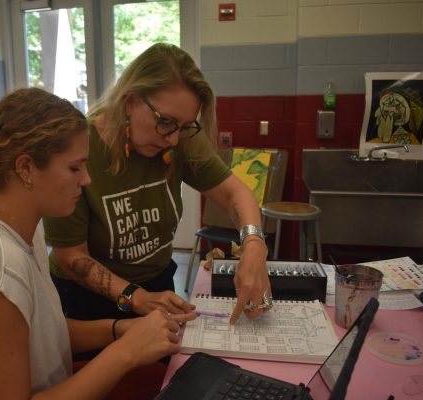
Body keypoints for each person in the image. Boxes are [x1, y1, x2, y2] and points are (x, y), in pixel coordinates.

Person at [0, 87, 195, 399]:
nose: (86, 180)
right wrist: (125, 352)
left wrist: (116, 330)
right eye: (75, 167)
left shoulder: (23, 232)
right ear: (26, 168)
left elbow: (41, 334)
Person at [43, 43, 273, 329]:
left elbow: (234, 192)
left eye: (185, 126)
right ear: (129, 100)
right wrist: (134, 297)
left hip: (158, 287)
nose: (174, 140)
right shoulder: (81, 149)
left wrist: (254, 245)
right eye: (165, 122)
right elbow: (71, 256)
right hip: (87, 302)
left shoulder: (178, 135)